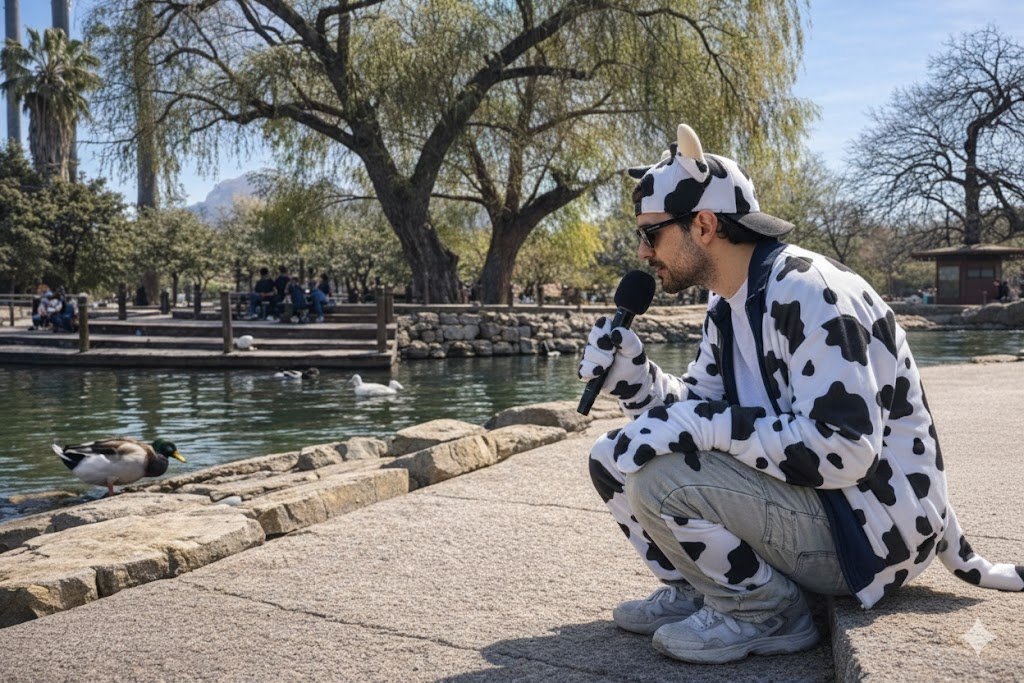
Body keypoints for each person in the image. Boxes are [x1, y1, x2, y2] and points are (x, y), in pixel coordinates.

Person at [578, 123, 1024, 665]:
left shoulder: (810, 293)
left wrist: (707, 427)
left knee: (660, 480)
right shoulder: (729, 304)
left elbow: (847, 450)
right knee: (612, 456)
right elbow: (695, 410)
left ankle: (764, 611)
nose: (644, 253)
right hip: (822, 502)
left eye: (651, 234)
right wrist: (635, 377)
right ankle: (702, 590)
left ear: (703, 224)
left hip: (869, 529)